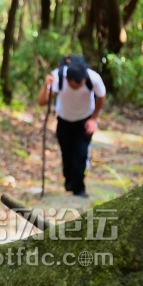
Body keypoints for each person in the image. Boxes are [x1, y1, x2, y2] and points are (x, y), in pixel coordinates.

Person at [37, 62, 106, 198]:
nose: (80, 86)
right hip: (64, 120)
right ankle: (69, 181)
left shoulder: (93, 78)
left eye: (82, 83)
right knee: (67, 154)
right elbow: (42, 102)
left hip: (84, 121)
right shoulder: (58, 77)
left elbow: (101, 96)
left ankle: (79, 188)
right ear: (68, 80)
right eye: (77, 84)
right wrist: (46, 86)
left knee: (81, 154)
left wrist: (93, 119)